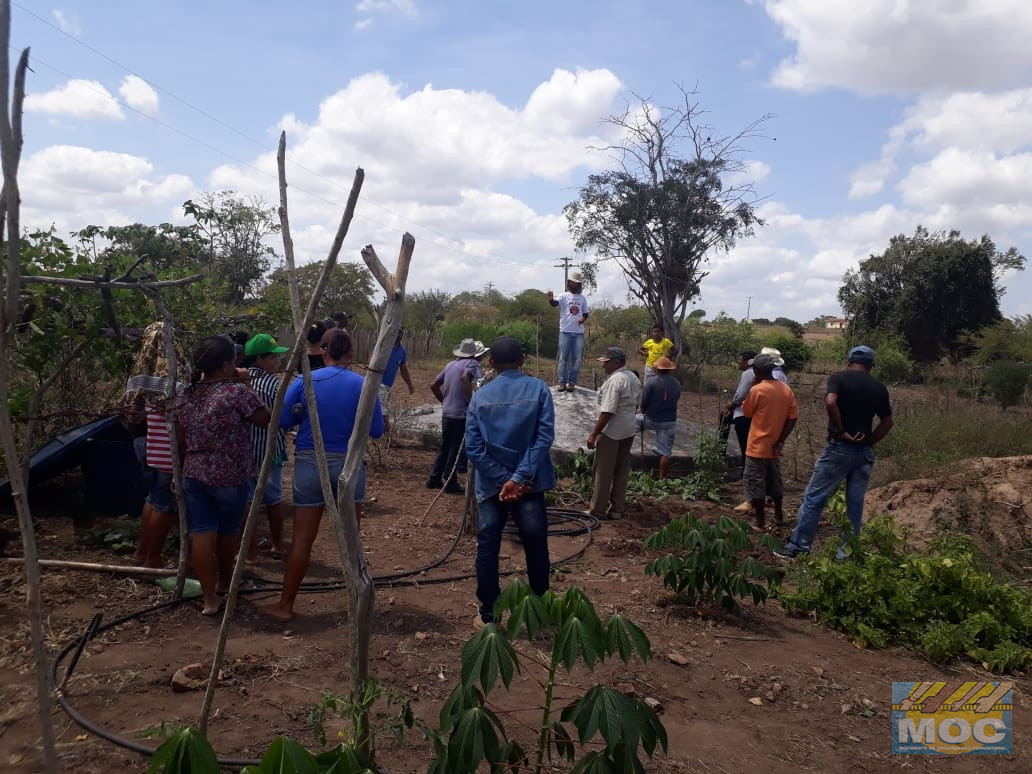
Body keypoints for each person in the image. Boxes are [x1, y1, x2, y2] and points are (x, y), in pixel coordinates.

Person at [261, 329, 385, 621]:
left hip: (309, 463)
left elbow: (283, 420)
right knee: (351, 539)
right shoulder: (364, 384)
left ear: (323, 351)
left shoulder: (305, 380)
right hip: (348, 465)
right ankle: (358, 606)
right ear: (351, 353)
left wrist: (301, 411)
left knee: (303, 539)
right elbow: (377, 430)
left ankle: (285, 605)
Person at [175, 335, 270, 616]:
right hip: (230, 474)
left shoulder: (186, 393)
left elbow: (181, 438)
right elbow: (264, 418)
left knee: (202, 532)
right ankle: (228, 581)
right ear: (228, 364)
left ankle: (209, 598)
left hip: (194, 472)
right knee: (228, 532)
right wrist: (245, 383)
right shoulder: (235, 392)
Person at [466, 336, 556, 629]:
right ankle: (539, 609)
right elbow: (544, 437)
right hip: (529, 484)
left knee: (488, 544)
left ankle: (489, 615)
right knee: (535, 544)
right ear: (523, 360)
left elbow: (474, 448)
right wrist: (518, 479)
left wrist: (503, 479)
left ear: (491, 363)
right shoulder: (539, 389)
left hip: (492, 487)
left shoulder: (480, 396)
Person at [774, 345, 893, 560]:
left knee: (815, 498)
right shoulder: (879, 388)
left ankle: (798, 548)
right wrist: (869, 442)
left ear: (849, 361)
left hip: (840, 448)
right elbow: (887, 422)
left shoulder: (839, 379)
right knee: (854, 505)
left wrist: (841, 431)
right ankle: (845, 555)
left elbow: (830, 402)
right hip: (863, 453)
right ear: (871, 365)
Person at [124, 322, 188, 568]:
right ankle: (153, 559)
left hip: (149, 445)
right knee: (165, 505)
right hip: (168, 451)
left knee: (152, 500)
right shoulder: (173, 376)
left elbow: (131, 412)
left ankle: (142, 552)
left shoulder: (142, 372)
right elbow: (180, 415)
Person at [242, 333, 290, 561]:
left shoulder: (239, 381)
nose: (276, 362)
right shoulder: (273, 384)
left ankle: (248, 552)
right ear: (259, 359)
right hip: (269, 450)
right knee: (274, 498)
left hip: (244, 451)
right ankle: (277, 545)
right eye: (272, 358)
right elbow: (286, 414)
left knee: (248, 500)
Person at [740, 353, 798, 532]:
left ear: (756, 371)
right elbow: (793, 417)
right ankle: (779, 516)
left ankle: (760, 523)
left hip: (757, 446)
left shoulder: (757, 390)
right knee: (775, 482)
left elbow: (747, 412)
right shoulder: (785, 389)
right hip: (774, 447)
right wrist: (781, 440)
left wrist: (752, 386)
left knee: (756, 484)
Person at [586, 347, 642, 519]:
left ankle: (598, 510)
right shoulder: (633, 377)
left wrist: (595, 433)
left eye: (607, 362)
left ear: (617, 362)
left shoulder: (615, 380)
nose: (604, 365)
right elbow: (635, 405)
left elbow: (608, 411)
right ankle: (617, 508)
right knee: (621, 470)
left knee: (603, 472)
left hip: (612, 431)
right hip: (628, 429)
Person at [426, 338, 486, 494]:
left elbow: (434, 385)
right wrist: (471, 402)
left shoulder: (450, 365)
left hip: (448, 412)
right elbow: (465, 378)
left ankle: (434, 478)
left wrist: (444, 401)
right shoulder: (472, 364)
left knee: (445, 446)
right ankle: (450, 481)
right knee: (456, 448)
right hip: (462, 413)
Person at [722, 350, 757, 512]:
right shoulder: (754, 373)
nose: (738, 363)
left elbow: (741, 394)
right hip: (747, 412)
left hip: (743, 414)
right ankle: (721, 451)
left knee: (745, 445)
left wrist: (731, 404)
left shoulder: (748, 374)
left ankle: (744, 474)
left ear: (748, 362)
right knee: (723, 419)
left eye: (740, 360)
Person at [636, 356, 681, 479]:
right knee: (666, 453)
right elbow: (676, 398)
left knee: (628, 425)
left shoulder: (651, 382)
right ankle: (662, 479)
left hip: (651, 419)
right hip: (669, 420)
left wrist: (641, 411)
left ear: (656, 368)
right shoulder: (676, 383)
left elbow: (644, 403)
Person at [546, 272, 589, 392]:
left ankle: (572, 382)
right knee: (563, 358)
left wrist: (583, 319)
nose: (574, 284)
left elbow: (586, 314)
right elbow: (555, 303)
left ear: (579, 284)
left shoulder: (582, 298)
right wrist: (550, 300)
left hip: (579, 333)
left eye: (577, 282)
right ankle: (562, 382)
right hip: (565, 331)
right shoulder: (564, 296)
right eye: (572, 282)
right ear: (569, 283)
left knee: (577, 359)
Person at [379, 328, 415, 407]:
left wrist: (409, 384)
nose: (398, 335)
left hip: (388, 386)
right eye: (396, 332)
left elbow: (403, 368)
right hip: (378, 384)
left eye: (400, 333)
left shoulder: (402, 351)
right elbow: (371, 359)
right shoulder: (384, 345)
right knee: (384, 414)